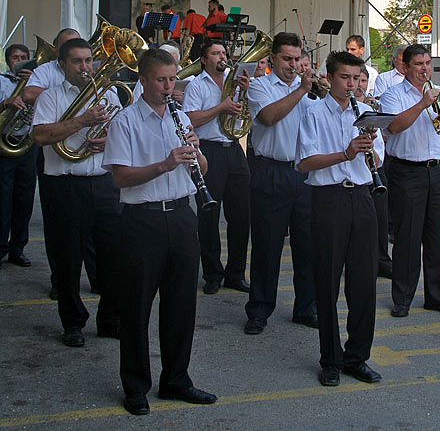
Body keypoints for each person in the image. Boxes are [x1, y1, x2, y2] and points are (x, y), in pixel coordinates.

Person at [103, 48, 217, 416]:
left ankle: (176, 379)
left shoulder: (180, 116)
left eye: (173, 80)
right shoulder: (125, 122)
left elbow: (201, 166)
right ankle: (135, 385)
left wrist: (195, 153)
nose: (169, 87)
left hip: (182, 217)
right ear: (144, 80)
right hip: (142, 220)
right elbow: (121, 176)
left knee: (182, 304)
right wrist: (165, 164)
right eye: (161, 80)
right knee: (136, 307)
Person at [296, 51, 384, 387]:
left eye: (357, 79)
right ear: (330, 78)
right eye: (345, 78)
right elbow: (304, 163)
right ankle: (330, 359)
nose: (352, 85)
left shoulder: (368, 114)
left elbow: (378, 160)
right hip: (328, 198)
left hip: (363, 196)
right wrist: (345, 154)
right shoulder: (314, 112)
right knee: (327, 281)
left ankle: (357, 357)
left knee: (363, 283)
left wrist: (369, 149)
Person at [32, 38, 122, 347]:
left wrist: (107, 139)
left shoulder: (108, 93)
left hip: (104, 184)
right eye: (77, 62)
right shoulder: (51, 97)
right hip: (66, 185)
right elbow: (41, 135)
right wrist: (83, 121)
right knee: (68, 258)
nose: (85, 67)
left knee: (113, 257)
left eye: (88, 61)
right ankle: (72, 322)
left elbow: (123, 133)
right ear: (62, 65)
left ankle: (110, 319)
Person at [380, 45, 440, 318]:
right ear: (405, 67)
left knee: (436, 234)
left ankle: (437, 296)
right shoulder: (393, 94)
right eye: (418, 64)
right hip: (407, 171)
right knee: (407, 237)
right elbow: (393, 126)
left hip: (439, 170)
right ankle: (403, 298)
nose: (424, 69)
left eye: (427, 63)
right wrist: (422, 104)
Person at [245, 31, 317, 334]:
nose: (292, 64)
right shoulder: (259, 86)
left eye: (296, 58)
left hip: (303, 173)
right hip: (270, 170)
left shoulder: (309, 90)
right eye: (286, 58)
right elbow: (269, 117)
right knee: (267, 245)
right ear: (272, 58)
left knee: (308, 246)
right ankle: (259, 310)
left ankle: (306, 308)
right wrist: (301, 90)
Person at [182, 39, 251, 295]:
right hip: (209, 149)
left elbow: (247, 113)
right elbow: (189, 118)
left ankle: (236, 273)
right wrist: (222, 106)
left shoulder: (235, 82)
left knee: (241, 215)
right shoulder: (196, 85)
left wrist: (246, 92)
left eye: (223, 52)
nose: (222, 56)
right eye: (215, 53)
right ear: (204, 60)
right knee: (209, 214)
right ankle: (212, 273)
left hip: (233, 148)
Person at [0, 44, 36, 269]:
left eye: (24, 57)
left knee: (24, 199)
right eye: (16, 58)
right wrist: (6, 103)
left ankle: (18, 248)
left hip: (27, 145)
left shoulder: (35, 82)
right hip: (5, 143)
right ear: (8, 61)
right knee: (3, 200)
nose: (20, 61)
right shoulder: (2, 81)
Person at [356, 64, 392, 279]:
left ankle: (381, 259)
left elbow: (381, 147)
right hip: (353, 175)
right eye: (355, 80)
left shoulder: (373, 109)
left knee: (380, 219)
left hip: (375, 170)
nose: (358, 85)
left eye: (362, 81)